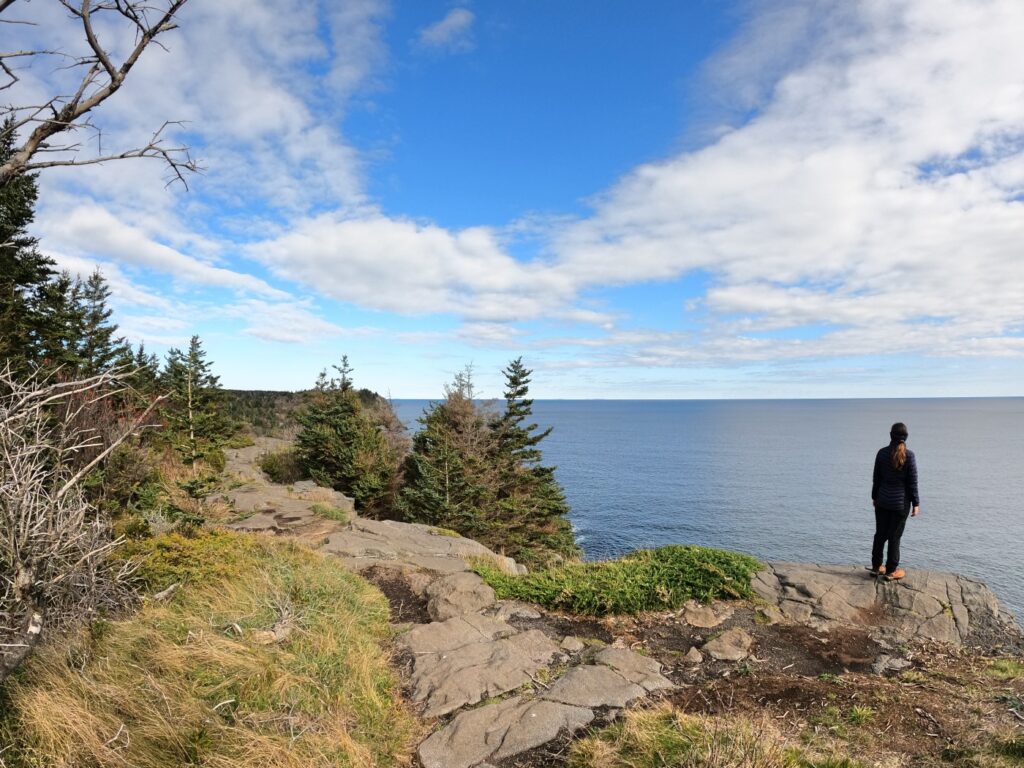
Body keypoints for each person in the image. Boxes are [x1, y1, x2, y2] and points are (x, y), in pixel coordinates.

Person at [869, 422, 920, 581]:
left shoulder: (882, 453)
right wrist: (916, 503)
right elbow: (912, 482)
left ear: (891, 435)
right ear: (906, 437)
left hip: (882, 501)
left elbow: (876, 479)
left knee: (880, 534)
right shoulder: (909, 456)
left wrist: (874, 497)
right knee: (894, 537)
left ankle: (877, 567)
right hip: (900, 504)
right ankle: (891, 570)